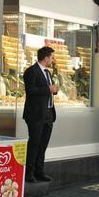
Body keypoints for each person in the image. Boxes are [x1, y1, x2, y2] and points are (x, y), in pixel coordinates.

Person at [23, 46, 59, 183]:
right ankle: (29, 173)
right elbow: (30, 90)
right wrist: (48, 89)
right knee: (34, 143)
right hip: (36, 114)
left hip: (49, 113)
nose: (52, 60)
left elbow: (46, 91)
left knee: (43, 144)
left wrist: (54, 90)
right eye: (51, 57)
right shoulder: (31, 72)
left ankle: (40, 171)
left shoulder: (48, 73)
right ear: (45, 58)